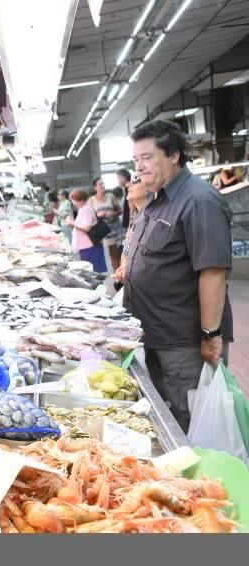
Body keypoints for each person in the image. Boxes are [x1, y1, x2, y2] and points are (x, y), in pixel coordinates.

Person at [124, 119, 233, 432]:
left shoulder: (198, 201)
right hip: (155, 334)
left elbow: (212, 272)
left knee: (191, 419)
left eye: (147, 158)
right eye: (136, 160)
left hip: (183, 341)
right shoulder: (157, 200)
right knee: (170, 413)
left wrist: (210, 334)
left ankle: (202, 479)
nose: (140, 167)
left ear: (173, 155)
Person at [113, 179, 147, 289]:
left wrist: (127, 268)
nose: (129, 185)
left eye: (136, 181)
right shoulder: (135, 217)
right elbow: (126, 248)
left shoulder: (152, 219)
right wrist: (123, 267)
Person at [65, 189, 107, 272]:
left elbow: (87, 228)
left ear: (79, 200)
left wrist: (72, 223)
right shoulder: (82, 209)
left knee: (93, 271)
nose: (72, 202)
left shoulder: (86, 209)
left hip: (90, 246)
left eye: (73, 200)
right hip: (86, 245)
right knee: (91, 271)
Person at [88, 177, 122, 272]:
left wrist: (113, 213)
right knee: (99, 254)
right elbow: (89, 216)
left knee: (114, 254)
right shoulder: (91, 200)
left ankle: (118, 275)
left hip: (113, 230)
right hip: (100, 231)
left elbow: (120, 210)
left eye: (103, 184)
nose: (102, 186)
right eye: (99, 184)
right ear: (95, 187)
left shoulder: (111, 196)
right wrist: (97, 215)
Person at [116, 168, 132, 236]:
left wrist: (130, 225)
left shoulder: (130, 189)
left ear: (123, 177)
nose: (118, 181)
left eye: (118, 178)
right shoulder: (126, 189)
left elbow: (131, 209)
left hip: (131, 224)